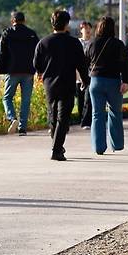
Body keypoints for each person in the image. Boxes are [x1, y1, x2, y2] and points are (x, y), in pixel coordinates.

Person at [34, 10, 90, 161]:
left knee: (53, 115)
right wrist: (86, 80)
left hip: (49, 84)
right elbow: (82, 64)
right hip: (67, 83)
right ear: (66, 24)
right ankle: (57, 149)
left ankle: (56, 143)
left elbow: (36, 64)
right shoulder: (74, 43)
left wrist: (41, 72)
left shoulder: (43, 42)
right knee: (63, 117)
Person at [85, 17, 128, 155]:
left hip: (96, 81)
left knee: (97, 114)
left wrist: (85, 78)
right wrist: (126, 81)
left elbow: (85, 61)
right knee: (115, 112)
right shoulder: (118, 44)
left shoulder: (91, 43)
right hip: (113, 81)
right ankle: (116, 144)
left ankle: (98, 147)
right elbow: (125, 64)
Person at [0, 11, 39, 136]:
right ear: (24, 21)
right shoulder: (32, 34)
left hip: (12, 70)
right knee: (26, 100)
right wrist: (38, 69)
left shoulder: (7, 33)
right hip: (29, 71)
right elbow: (38, 53)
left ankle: (12, 118)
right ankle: (22, 128)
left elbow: (2, 54)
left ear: (13, 21)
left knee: (7, 97)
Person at [77, 21, 93, 129]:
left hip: (90, 74)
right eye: (84, 28)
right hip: (77, 75)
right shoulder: (77, 42)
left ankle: (86, 121)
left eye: (88, 28)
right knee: (80, 99)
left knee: (88, 99)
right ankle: (81, 119)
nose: (87, 30)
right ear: (81, 30)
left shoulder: (93, 43)